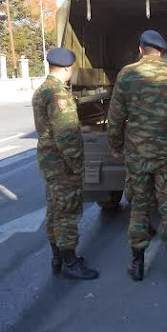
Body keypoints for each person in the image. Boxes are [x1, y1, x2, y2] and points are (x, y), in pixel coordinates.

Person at [107, 29, 167, 282]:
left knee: (138, 205)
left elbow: (115, 116)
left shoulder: (127, 75)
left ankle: (137, 265)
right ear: (162, 51)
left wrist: (115, 146)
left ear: (141, 49)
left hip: (137, 153)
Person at [31, 47, 99, 281]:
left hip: (49, 163)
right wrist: (77, 165)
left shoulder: (42, 90)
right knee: (68, 213)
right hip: (63, 164)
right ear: (68, 68)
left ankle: (57, 257)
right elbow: (67, 134)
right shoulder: (59, 95)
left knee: (54, 211)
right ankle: (70, 262)